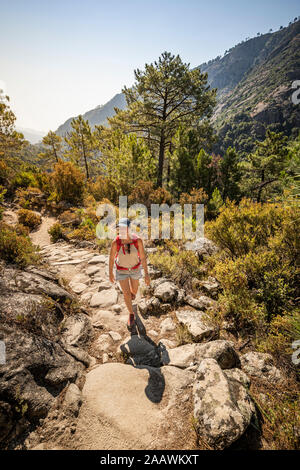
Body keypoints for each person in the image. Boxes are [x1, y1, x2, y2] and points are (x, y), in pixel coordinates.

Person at [108, 217, 150, 330]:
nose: (122, 230)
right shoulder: (115, 242)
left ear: (129, 228)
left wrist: (147, 274)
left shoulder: (138, 241)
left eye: (124, 228)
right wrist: (110, 273)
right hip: (121, 271)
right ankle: (131, 314)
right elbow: (111, 258)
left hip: (135, 270)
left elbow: (143, 258)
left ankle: (131, 295)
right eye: (120, 228)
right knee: (126, 294)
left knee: (134, 292)